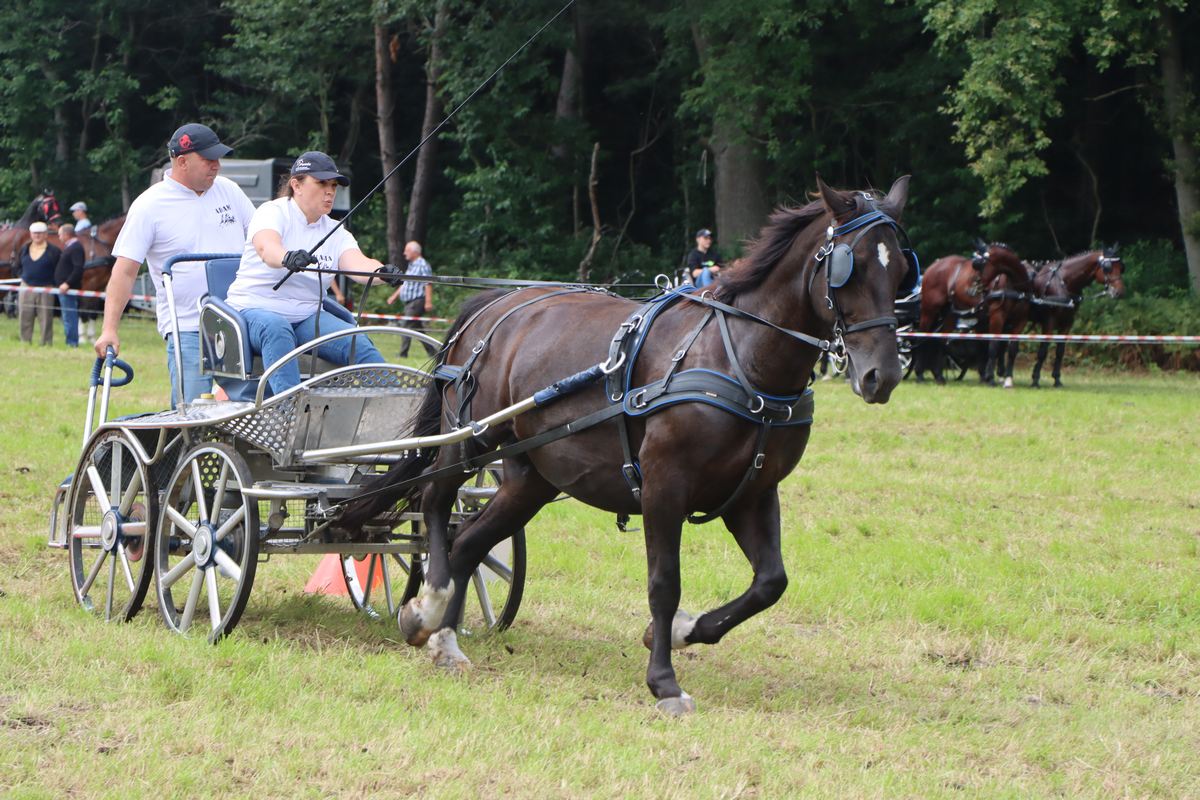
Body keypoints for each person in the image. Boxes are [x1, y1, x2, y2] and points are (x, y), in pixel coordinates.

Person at [97, 122, 256, 403]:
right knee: (190, 414)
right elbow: (124, 272)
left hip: (237, 320)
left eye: (218, 158)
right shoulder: (149, 205)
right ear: (182, 161)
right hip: (187, 327)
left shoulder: (229, 191)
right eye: (208, 160)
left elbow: (260, 240)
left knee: (247, 408)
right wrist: (109, 329)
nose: (217, 166)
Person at [224, 151, 404, 396]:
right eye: (321, 183)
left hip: (307, 317)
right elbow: (267, 247)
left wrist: (381, 272)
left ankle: (398, 404)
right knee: (277, 329)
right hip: (254, 310)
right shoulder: (272, 212)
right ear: (296, 184)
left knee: (358, 343)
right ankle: (288, 410)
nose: (330, 191)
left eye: (333, 185)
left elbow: (359, 263)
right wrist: (287, 257)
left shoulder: (334, 230)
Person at [385, 241, 437, 358]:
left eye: (407, 250)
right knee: (417, 328)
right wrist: (394, 296)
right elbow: (406, 283)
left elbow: (428, 283)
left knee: (406, 325)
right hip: (409, 302)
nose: (404, 253)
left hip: (417, 301)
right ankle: (433, 352)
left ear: (415, 251)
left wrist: (428, 302)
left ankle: (403, 354)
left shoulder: (422, 264)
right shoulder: (412, 265)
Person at [17, 222, 61, 345]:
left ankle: (46, 342)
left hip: (46, 287)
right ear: (31, 234)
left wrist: (52, 282)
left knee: (46, 316)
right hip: (26, 286)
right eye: (35, 233)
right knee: (25, 314)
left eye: (40, 233)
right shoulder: (24, 249)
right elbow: (17, 265)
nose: (37, 235)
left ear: (46, 235)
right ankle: (25, 340)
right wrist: (23, 276)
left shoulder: (54, 251)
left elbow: (58, 269)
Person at [55, 224, 85, 347]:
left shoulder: (76, 247)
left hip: (68, 289)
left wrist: (67, 283)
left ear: (67, 234)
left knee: (70, 316)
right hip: (63, 288)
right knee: (66, 316)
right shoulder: (70, 247)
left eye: (60, 234)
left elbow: (78, 268)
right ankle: (70, 341)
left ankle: (72, 343)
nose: (59, 237)